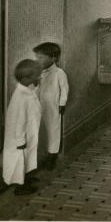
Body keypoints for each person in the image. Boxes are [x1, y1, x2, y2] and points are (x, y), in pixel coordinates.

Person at [3, 59, 42, 195]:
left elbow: (33, 95)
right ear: (26, 79)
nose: (39, 78)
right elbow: (18, 121)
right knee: (19, 161)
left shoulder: (26, 90)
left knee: (28, 156)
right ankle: (20, 187)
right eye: (36, 76)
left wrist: (36, 85)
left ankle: (26, 176)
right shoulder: (20, 97)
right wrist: (20, 141)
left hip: (28, 133)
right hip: (19, 137)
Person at [33, 42, 69, 171]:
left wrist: (62, 103)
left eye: (40, 57)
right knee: (40, 130)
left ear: (53, 58)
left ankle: (52, 156)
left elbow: (64, 89)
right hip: (38, 106)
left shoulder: (59, 73)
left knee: (53, 129)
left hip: (52, 107)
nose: (37, 60)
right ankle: (40, 155)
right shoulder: (37, 72)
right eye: (36, 57)